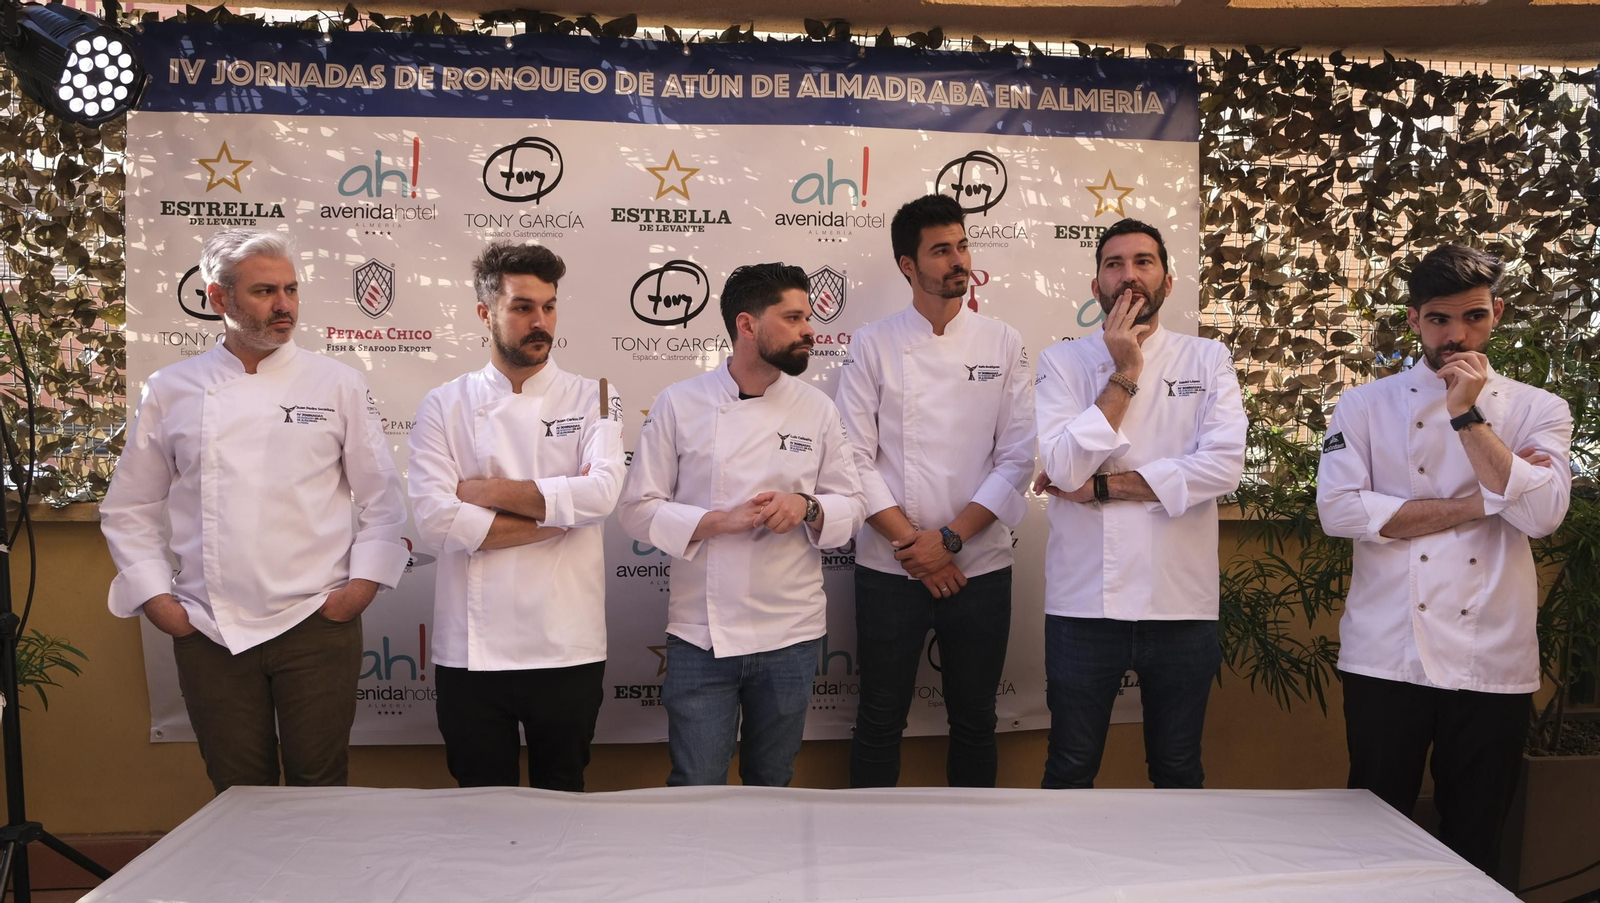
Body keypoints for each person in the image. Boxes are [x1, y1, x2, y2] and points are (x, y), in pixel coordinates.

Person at [101, 227, 408, 793]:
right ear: (219, 298)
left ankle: (321, 887)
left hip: (317, 621)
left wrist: (358, 590)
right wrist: (159, 601)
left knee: (321, 785)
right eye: (266, 291)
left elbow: (382, 500)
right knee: (238, 790)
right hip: (210, 629)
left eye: (291, 290)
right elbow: (129, 507)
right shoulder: (172, 388)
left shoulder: (336, 383)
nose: (284, 305)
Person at [1317, 243, 1571, 872]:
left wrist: (1466, 416)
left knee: (1477, 839)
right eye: (1439, 320)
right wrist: (1491, 499)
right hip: (1385, 654)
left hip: (1492, 657)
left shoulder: (1540, 409)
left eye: (1474, 318)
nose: (1457, 336)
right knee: (1373, 838)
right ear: (1413, 319)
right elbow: (1341, 513)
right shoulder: (1363, 406)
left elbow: (1541, 517)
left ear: (1497, 313)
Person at [618, 263, 865, 787]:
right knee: (696, 784)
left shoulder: (817, 409)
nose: (809, 330)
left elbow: (853, 503)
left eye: (809, 317)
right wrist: (717, 521)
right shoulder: (680, 404)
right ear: (748, 326)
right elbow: (636, 510)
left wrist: (807, 507)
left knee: (772, 783)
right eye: (794, 317)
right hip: (700, 636)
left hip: (791, 635)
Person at [1033, 218, 1247, 789]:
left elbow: (1224, 466)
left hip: (1180, 602)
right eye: (1114, 264)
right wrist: (1125, 372)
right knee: (1071, 766)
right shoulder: (1063, 362)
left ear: (1168, 281)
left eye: (1143, 262)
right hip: (1084, 605)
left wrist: (1104, 488)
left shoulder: (1207, 359)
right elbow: (1061, 468)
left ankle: (1176, 880)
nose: (1129, 275)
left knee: (1178, 768)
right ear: (1095, 284)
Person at [834, 194, 1035, 788]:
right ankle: (869, 862)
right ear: (907, 265)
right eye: (941, 250)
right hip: (889, 567)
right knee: (878, 719)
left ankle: (972, 860)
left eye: (963, 245)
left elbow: (1018, 456)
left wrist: (947, 541)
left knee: (975, 719)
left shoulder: (1002, 342)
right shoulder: (871, 344)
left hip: (980, 566)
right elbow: (852, 458)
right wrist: (914, 549)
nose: (958, 260)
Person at [407, 241, 624, 791]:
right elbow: (435, 519)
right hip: (471, 652)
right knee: (480, 806)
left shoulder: (594, 395)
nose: (540, 321)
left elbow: (600, 496)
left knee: (564, 796)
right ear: (485, 313)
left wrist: (484, 490)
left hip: (567, 642)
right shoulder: (444, 403)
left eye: (549, 307)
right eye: (522, 307)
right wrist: (559, 517)